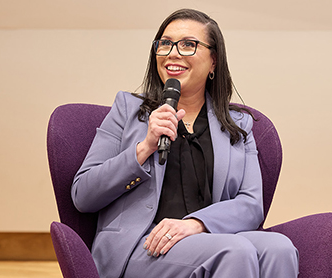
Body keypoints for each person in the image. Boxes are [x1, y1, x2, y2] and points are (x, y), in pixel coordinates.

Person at [71, 8, 299, 278]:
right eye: (165, 43)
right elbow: (82, 195)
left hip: (210, 236)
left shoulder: (238, 124)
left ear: (213, 61)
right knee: (234, 250)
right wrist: (144, 148)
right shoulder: (127, 109)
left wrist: (198, 224)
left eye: (188, 45)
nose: (173, 53)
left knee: (279, 248)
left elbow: (251, 204)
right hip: (143, 245)